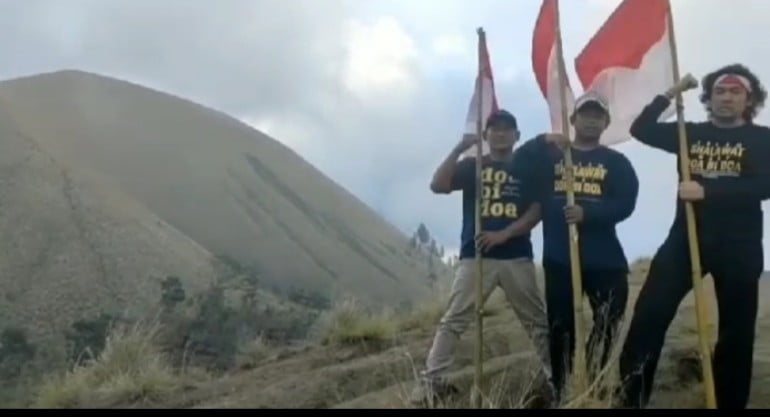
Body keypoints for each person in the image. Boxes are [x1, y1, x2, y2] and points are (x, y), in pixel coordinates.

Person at [618, 64, 770, 409]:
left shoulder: (763, 139)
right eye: (719, 91)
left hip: (740, 246)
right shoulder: (691, 134)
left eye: (735, 92)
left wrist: (708, 191)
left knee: (736, 332)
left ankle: (728, 403)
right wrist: (670, 93)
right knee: (648, 317)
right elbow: (641, 129)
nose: (726, 97)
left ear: (749, 99)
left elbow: (765, 185)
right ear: (708, 97)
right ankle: (628, 400)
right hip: (686, 240)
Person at [410, 109, 552, 406]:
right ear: (485, 135)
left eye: (507, 129)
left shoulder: (527, 166)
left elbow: (537, 209)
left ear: (517, 135)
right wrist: (460, 148)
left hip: (516, 256)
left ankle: (556, 379)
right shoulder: (473, 166)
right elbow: (437, 185)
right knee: (454, 319)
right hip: (475, 256)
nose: (500, 133)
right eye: (494, 129)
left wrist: (506, 234)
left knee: (536, 322)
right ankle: (430, 383)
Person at [514, 92, 639, 402]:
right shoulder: (553, 157)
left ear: (606, 123)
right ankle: (562, 389)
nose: (592, 119)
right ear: (574, 120)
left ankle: (593, 382)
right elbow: (516, 166)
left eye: (598, 115)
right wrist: (542, 140)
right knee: (561, 329)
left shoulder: (617, 163)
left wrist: (590, 214)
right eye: (586, 114)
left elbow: (625, 204)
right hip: (560, 259)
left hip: (605, 260)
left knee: (608, 323)